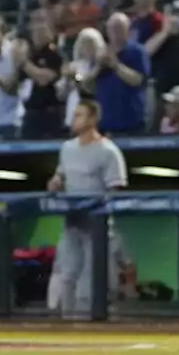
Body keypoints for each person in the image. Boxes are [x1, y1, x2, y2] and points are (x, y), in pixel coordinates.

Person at [47, 99, 129, 317]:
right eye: (74, 115)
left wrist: (94, 206)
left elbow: (115, 189)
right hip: (71, 221)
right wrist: (55, 182)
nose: (74, 120)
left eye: (79, 115)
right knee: (67, 274)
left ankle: (88, 328)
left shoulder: (108, 150)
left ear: (93, 119)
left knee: (90, 281)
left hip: (97, 225)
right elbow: (59, 176)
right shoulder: (67, 148)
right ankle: (66, 324)